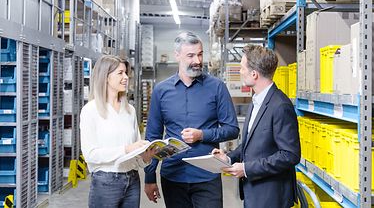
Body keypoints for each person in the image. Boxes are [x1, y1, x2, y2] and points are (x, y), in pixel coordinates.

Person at [144, 31, 239, 208]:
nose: (197, 60)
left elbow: (232, 129)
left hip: (207, 175)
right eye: (191, 55)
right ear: (177, 55)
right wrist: (150, 177)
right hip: (173, 176)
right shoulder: (161, 91)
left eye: (200, 54)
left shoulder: (217, 87)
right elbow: (152, 138)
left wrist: (202, 135)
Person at [212, 45, 301, 208]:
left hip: (271, 196)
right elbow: (250, 144)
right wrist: (229, 157)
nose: (239, 71)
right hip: (254, 192)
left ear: (254, 74)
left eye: (242, 68)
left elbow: (290, 155)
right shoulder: (257, 101)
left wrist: (247, 169)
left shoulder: (280, 106)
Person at [80, 55, 156, 208]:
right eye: (120, 73)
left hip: (132, 181)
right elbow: (91, 154)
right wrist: (126, 149)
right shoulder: (91, 110)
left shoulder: (129, 110)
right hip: (105, 183)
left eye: (126, 73)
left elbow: (135, 153)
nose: (126, 77)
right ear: (106, 77)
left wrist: (145, 158)